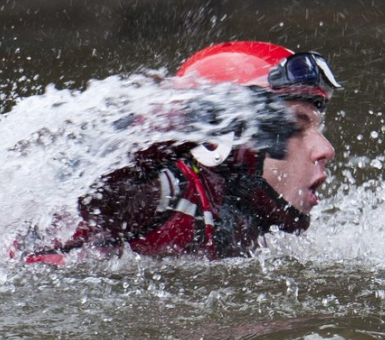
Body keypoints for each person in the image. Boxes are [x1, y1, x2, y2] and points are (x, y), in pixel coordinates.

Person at [18, 41, 342, 265]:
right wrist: (195, 120)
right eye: (295, 127)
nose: (325, 150)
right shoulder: (171, 189)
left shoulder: (243, 218)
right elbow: (93, 181)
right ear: (222, 142)